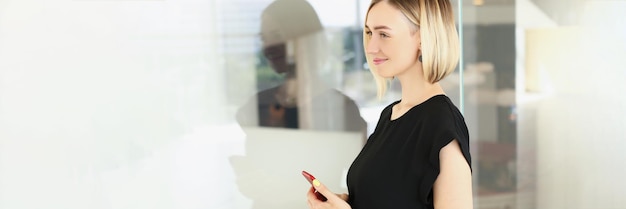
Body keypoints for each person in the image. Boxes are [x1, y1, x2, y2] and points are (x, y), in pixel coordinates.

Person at [305, 0, 473, 209]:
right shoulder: (390, 115)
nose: (371, 47)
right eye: (368, 33)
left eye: (383, 34)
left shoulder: (442, 124)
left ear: (422, 38)